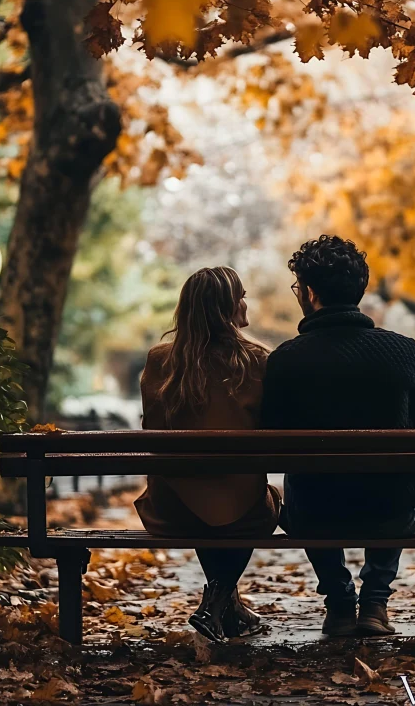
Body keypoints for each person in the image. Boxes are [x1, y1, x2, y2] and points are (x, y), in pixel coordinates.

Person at [261, 235, 415, 637]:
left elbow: (272, 449)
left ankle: (340, 604)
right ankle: (374, 602)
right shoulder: (403, 350)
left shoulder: (285, 359)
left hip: (315, 515)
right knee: (405, 483)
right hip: (392, 513)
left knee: (304, 488)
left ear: (308, 292)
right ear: (359, 289)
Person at [135, 267, 281, 642]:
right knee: (261, 504)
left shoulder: (160, 360)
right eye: (240, 296)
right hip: (240, 512)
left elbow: (151, 432)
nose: (245, 302)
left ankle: (227, 608)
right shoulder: (257, 361)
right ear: (226, 308)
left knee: (201, 493)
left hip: (172, 509)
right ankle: (216, 602)